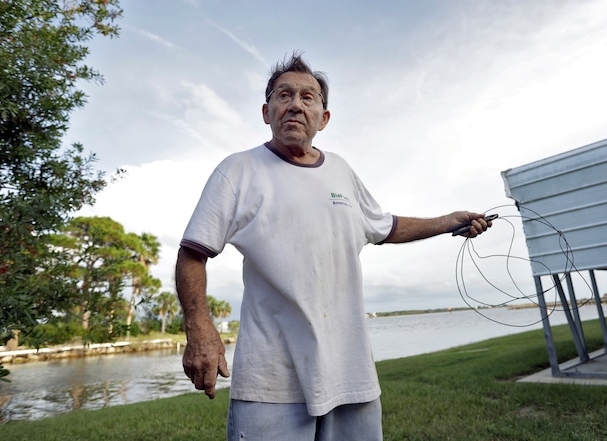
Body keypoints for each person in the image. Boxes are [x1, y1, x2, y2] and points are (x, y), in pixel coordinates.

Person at [175, 53, 492, 441]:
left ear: (323, 118)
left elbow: (384, 226)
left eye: (308, 97)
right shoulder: (237, 170)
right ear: (266, 111)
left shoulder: (340, 169)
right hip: (271, 378)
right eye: (284, 95)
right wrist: (200, 329)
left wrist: (448, 222)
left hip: (351, 373)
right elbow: (193, 253)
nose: (295, 104)